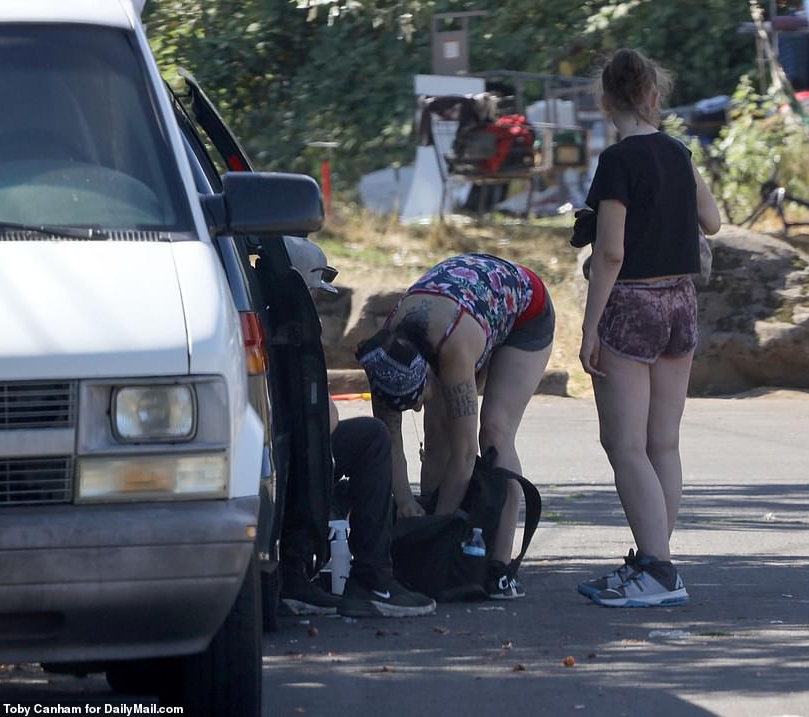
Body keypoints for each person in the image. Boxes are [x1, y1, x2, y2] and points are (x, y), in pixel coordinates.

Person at [575, 49, 721, 608]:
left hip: (631, 306)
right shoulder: (679, 153)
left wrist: (590, 329)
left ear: (606, 100)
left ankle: (658, 571)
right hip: (681, 303)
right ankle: (656, 561)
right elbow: (713, 221)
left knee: (624, 444)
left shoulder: (618, 161)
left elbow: (610, 252)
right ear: (655, 97)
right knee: (663, 442)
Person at [356, 253, 554, 599]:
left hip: (523, 309)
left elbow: (465, 457)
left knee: (494, 431)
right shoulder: (385, 357)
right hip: (464, 304)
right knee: (436, 437)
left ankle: (500, 567)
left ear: (429, 371)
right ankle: (440, 549)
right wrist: (404, 502)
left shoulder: (453, 349)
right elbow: (390, 443)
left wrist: (437, 533)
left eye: (418, 397)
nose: (417, 407)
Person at [277, 236, 436, 618]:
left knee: (369, 435)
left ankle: (371, 576)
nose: (315, 302)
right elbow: (325, 418)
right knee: (370, 441)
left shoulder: (280, 320)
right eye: (313, 293)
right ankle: (362, 575)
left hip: (291, 444)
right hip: (283, 450)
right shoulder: (283, 325)